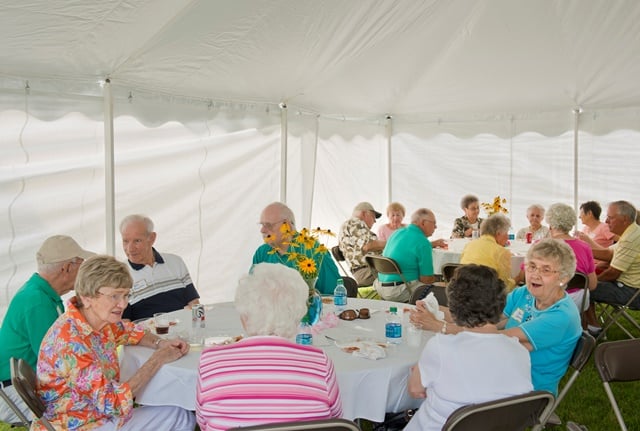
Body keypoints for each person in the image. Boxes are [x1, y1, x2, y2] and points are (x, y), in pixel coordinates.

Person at [33, 255, 195, 431]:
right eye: (115, 296)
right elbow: (114, 403)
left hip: (96, 415)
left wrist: (159, 343)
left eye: (126, 295)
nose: (123, 304)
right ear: (87, 297)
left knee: (173, 409)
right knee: (180, 416)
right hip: (81, 425)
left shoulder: (96, 320)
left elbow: (130, 331)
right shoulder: (71, 344)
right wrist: (157, 360)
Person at [411, 239, 582, 396]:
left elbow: (494, 339)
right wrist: (436, 311)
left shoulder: (561, 316)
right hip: (499, 366)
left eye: (546, 270)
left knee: (432, 373)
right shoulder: (525, 294)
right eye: (531, 266)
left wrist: (439, 326)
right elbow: (483, 318)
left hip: (526, 388)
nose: (535, 274)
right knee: (431, 369)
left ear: (563, 278)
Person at [196, 263, 342, 430]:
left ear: (244, 316)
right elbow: (335, 419)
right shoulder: (320, 363)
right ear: (297, 316)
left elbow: (203, 422)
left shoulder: (209, 362)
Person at [405, 265, 533, 431]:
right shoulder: (519, 351)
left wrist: (425, 375)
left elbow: (415, 390)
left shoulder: (441, 346)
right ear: (500, 305)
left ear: (454, 308)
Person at [0, 235, 94, 424]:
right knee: (94, 406)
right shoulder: (37, 301)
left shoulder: (41, 292)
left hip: (23, 386)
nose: (84, 272)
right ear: (66, 268)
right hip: (16, 393)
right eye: (81, 265)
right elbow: (60, 363)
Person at [120, 214, 200, 321]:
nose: (130, 248)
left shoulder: (176, 262)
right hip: (147, 336)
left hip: (184, 332)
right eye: (125, 241)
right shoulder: (120, 275)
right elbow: (124, 322)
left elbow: (194, 304)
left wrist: (198, 328)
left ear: (152, 238)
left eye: (137, 241)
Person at [252, 202, 339, 295]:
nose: (262, 230)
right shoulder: (262, 253)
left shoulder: (315, 251)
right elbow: (252, 291)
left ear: (287, 226)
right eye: (262, 225)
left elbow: (335, 295)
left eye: (269, 225)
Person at [585, 200, 640, 336]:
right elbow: (609, 254)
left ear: (625, 219)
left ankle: (593, 329)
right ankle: (592, 326)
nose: (606, 221)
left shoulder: (631, 239)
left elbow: (613, 273)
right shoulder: (632, 232)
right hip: (629, 286)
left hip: (632, 292)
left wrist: (592, 281)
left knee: (582, 288)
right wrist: (580, 249)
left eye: (610, 217)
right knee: (585, 283)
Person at [374, 208, 446, 302]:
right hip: (399, 291)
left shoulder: (397, 233)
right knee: (444, 289)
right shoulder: (423, 242)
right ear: (423, 223)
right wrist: (439, 281)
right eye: (434, 223)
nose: (435, 227)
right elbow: (426, 279)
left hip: (380, 286)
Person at [545, 203, 597, 312]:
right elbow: (592, 285)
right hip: (578, 302)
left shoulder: (541, 246)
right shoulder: (585, 247)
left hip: (548, 300)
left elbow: (525, 278)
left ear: (550, 223)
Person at [460, 213, 515, 291]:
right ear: (498, 234)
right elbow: (505, 287)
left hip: (464, 293)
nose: (507, 237)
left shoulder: (468, 245)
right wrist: (518, 278)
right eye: (506, 233)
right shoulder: (501, 252)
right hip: (489, 297)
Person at [338, 202, 386, 286]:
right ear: (364, 213)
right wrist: (393, 243)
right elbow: (368, 245)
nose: (375, 221)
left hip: (366, 271)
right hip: (367, 272)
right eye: (373, 217)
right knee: (406, 266)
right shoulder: (355, 223)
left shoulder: (353, 225)